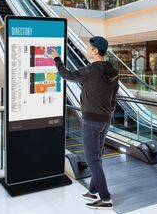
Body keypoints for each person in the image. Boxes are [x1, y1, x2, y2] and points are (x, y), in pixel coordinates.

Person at [51, 36, 119, 210]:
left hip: (91, 121)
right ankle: (93, 190)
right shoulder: (113, 71)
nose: (87, 50)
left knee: (92, 159)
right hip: (105, 120)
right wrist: (108, 112)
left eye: (89, 48)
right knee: (97, 157)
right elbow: (114, 98)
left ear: (95, 51)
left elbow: (66, 75)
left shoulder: (91, 70)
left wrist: (56, 58)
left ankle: (105, 199)